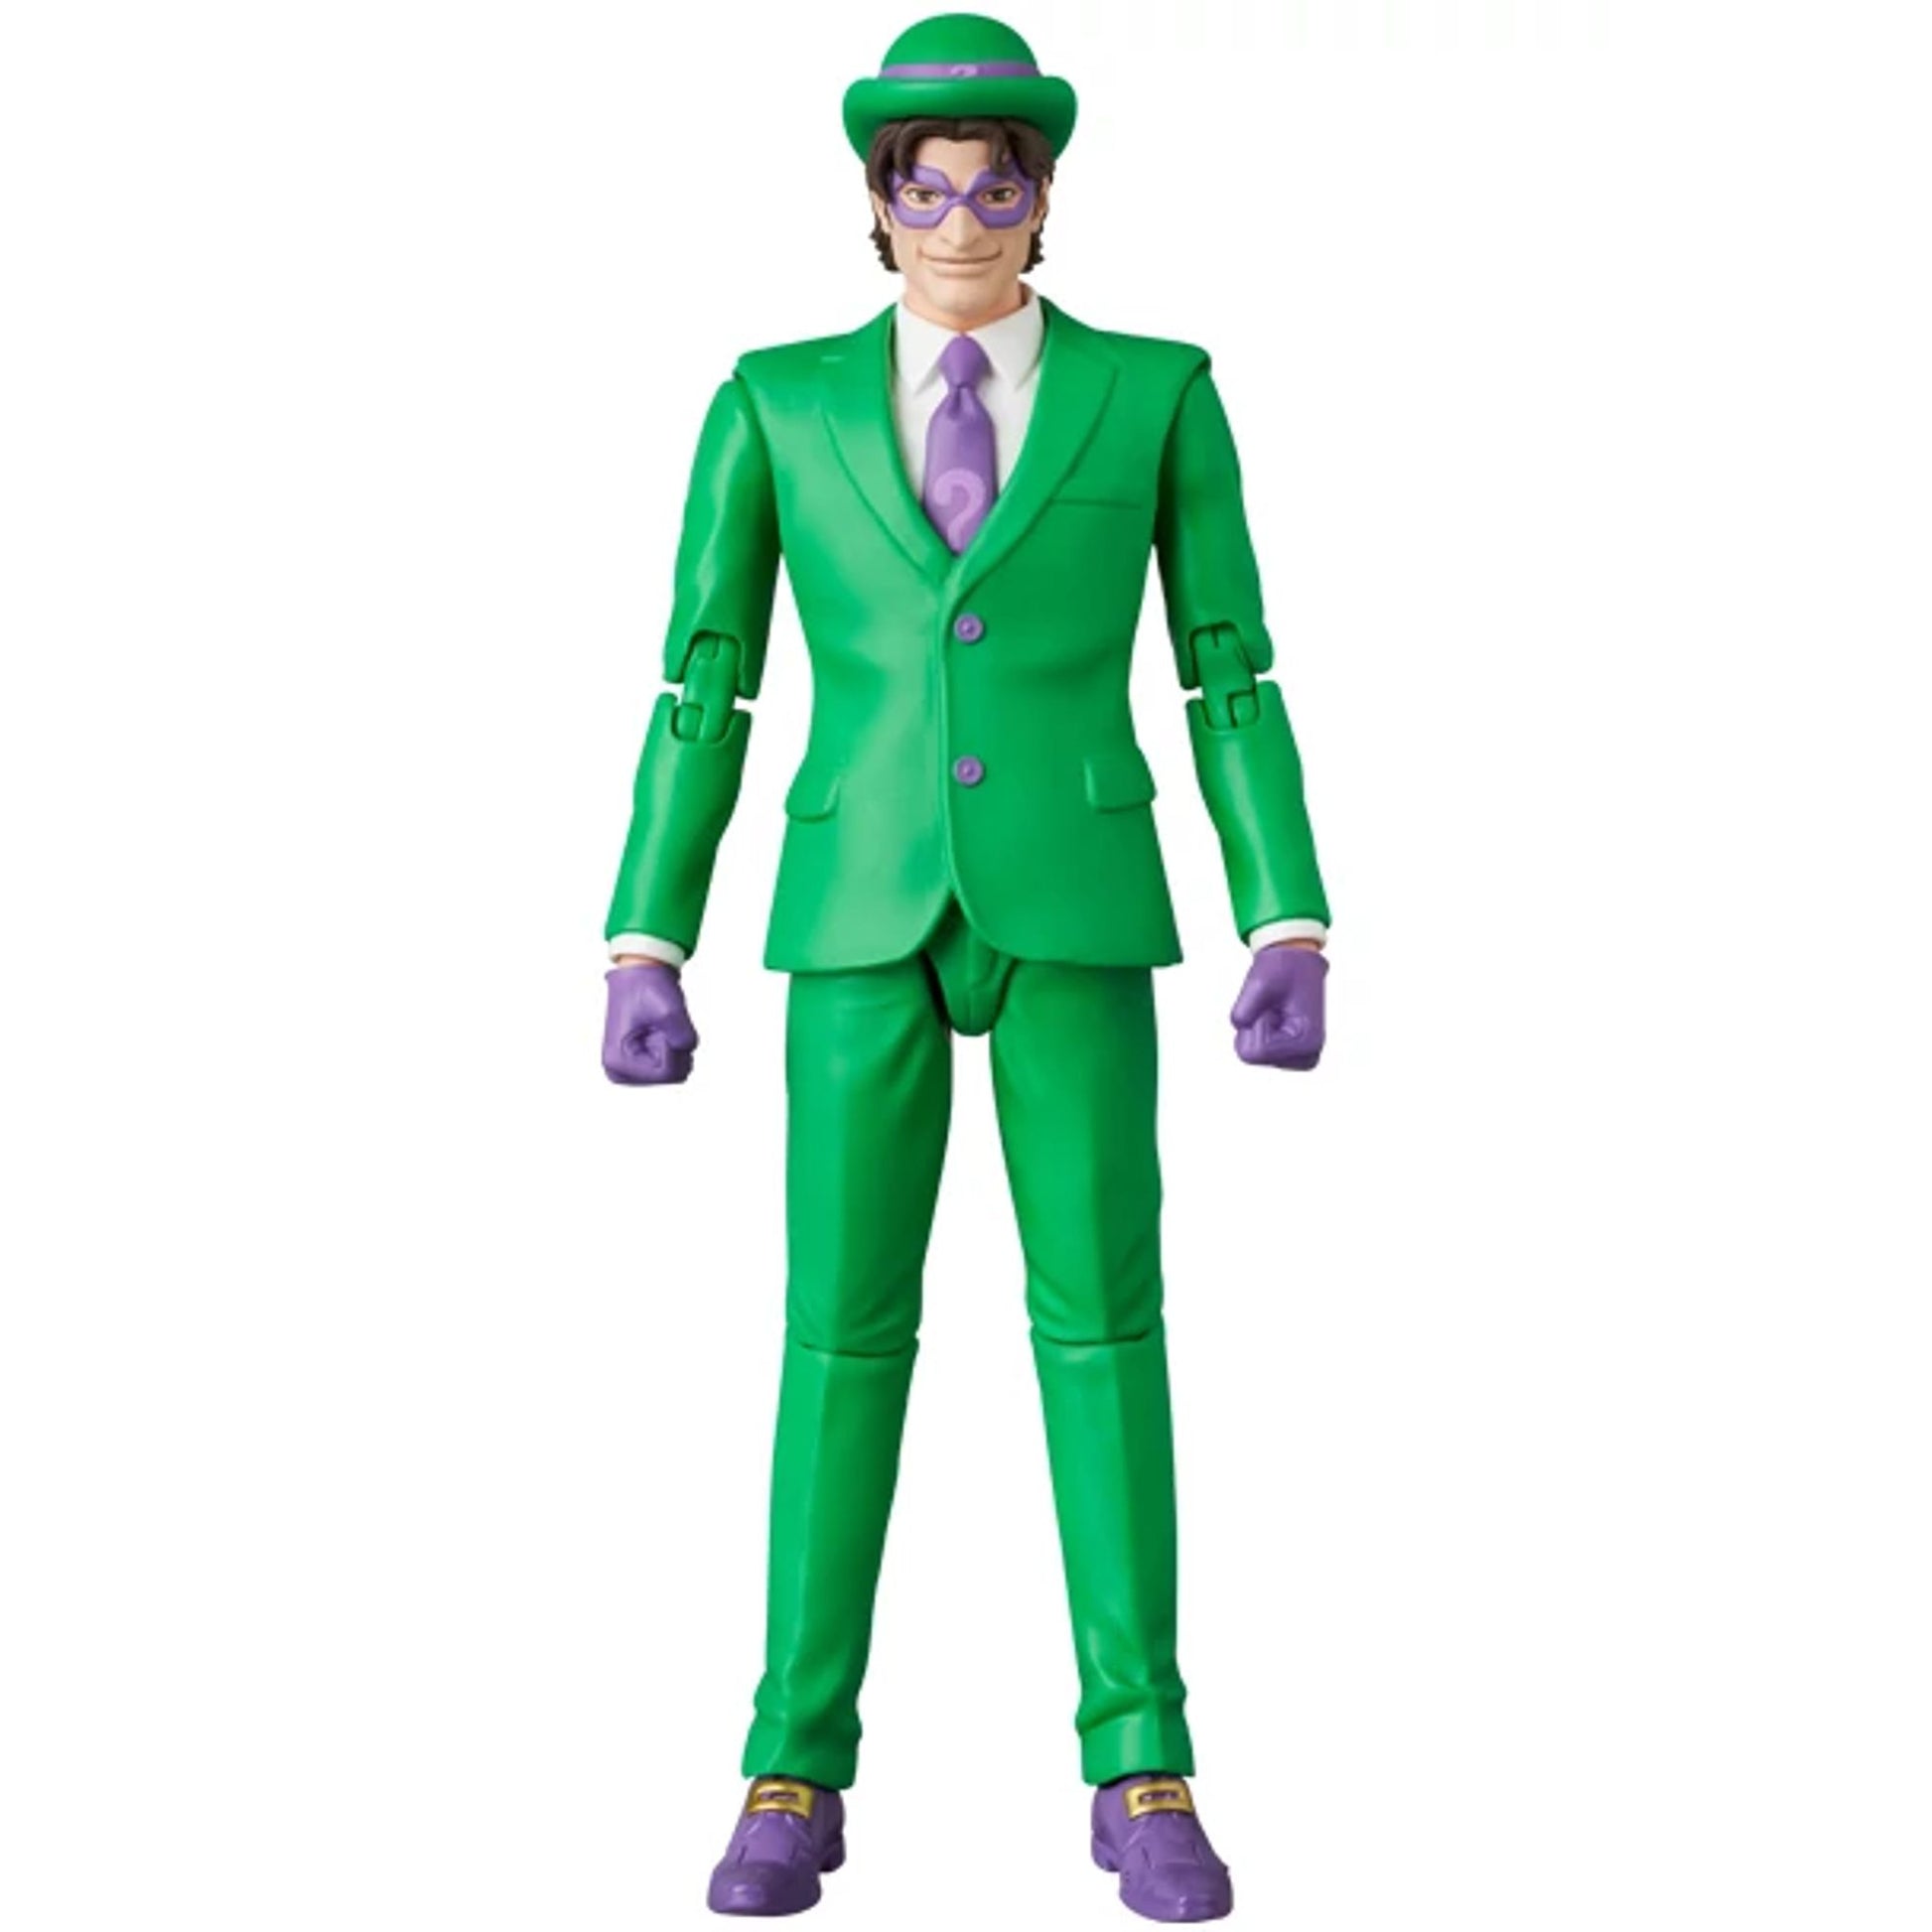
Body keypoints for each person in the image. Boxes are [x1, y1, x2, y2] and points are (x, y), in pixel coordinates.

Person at [601, 14, 1329, 1920]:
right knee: (837, 1337)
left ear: (1043, 196)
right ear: (874, 202)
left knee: (1105, 1329)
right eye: (921, 188)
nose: (958, 221)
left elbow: (1230, 665)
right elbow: (703, 680)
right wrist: (645, 928)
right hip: (854, 912)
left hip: (1075, 908)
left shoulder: (1154, 392)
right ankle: (790, 1759)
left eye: (994, 184)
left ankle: (1140, 1758)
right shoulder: (774, 402)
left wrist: (1287, 908)